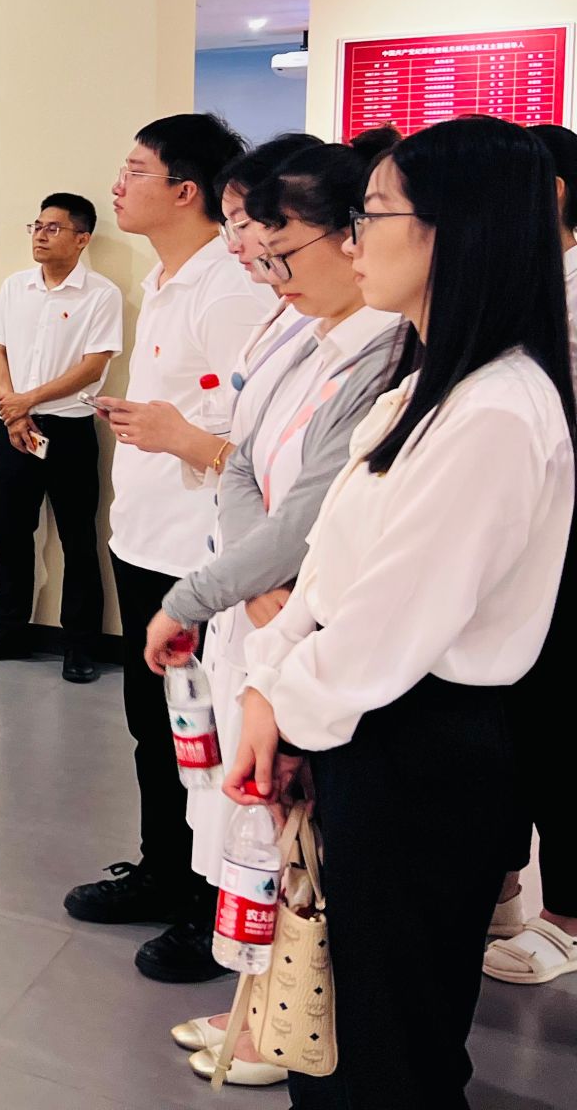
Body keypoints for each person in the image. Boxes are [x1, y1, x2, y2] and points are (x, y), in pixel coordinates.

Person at [227, 116, 573, 1108]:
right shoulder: (426, 385)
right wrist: (271, 686)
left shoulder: (497, 410)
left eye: (371, 215)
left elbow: (388, 623)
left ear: (450, 231)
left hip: (424, 750)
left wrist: (280, 704)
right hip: (368, 731)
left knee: (390, 1048)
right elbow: (332, 576)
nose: (352, 242)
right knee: (347, 1025)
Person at [137, 132, 405, 1079]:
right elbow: (247, 464)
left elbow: (306, 512)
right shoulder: (309, 330)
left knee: (286, 840)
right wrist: (249, 583)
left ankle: (282, 1024)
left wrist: (221, 589)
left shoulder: (386, 355)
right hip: (256, 606)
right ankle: (261, 1009)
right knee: (247, 829)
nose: (256, 256)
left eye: (273, 239)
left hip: (295, 625)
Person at [63, 114, 273, 978]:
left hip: (201, 557)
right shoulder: (167, 279)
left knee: (203, 738)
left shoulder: (230, 290)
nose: (118, 185)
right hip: (146, 539)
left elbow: (259, 439)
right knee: (156, 727)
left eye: (135, 170)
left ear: (186, 191)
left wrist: (179, 435)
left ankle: (209, 903)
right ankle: (162, 869)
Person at [483, 121, 577, 986]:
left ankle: (567, 917)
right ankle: (503, 885)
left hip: (568, 540)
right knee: (507, 719)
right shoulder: (518, 286)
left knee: (560, 729)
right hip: (514, 539)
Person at [0, 193, 122, 681]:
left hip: (68, 430)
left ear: (82, 239)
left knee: (78, 539)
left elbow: (93, 366)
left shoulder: (101, 294)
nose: (41, 235)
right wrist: (13, 410)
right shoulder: (16, 287)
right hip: (13, 428)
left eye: (54, 228)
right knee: (10, 534)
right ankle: (7, 630)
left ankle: (81, 645)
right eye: (37, 226)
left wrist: (27, 400)